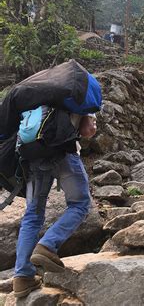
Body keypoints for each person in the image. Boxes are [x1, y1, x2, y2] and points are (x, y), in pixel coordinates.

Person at [12, 112, 98, 298]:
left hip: (33, 155)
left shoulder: (34, 94)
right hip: (64, 154)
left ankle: (22, 276)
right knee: (80, 204)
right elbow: (87, 130)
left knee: (33, 215)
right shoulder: (76, 90)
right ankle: (47, 245)